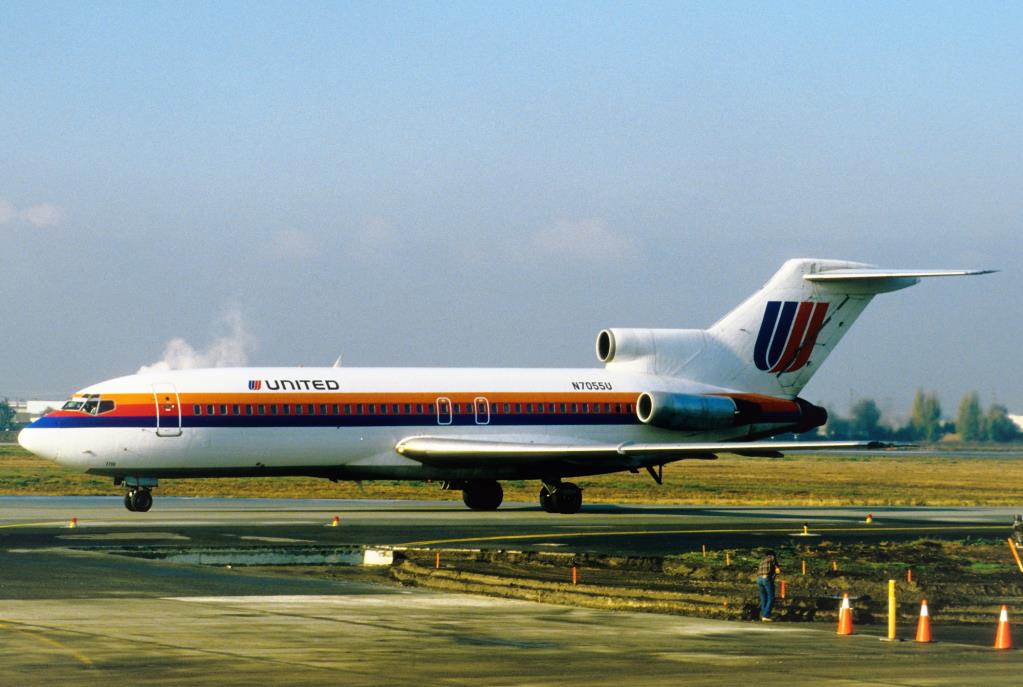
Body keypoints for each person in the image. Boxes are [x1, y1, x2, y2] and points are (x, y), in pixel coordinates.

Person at [757, 551, 780, 621]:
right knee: (771, 597)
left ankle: (763, 615)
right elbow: (777, 568)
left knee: (763, 597)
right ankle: (766, 615)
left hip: (759, 579)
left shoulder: (762, 560)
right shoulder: (772, 558)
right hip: (766, 578)